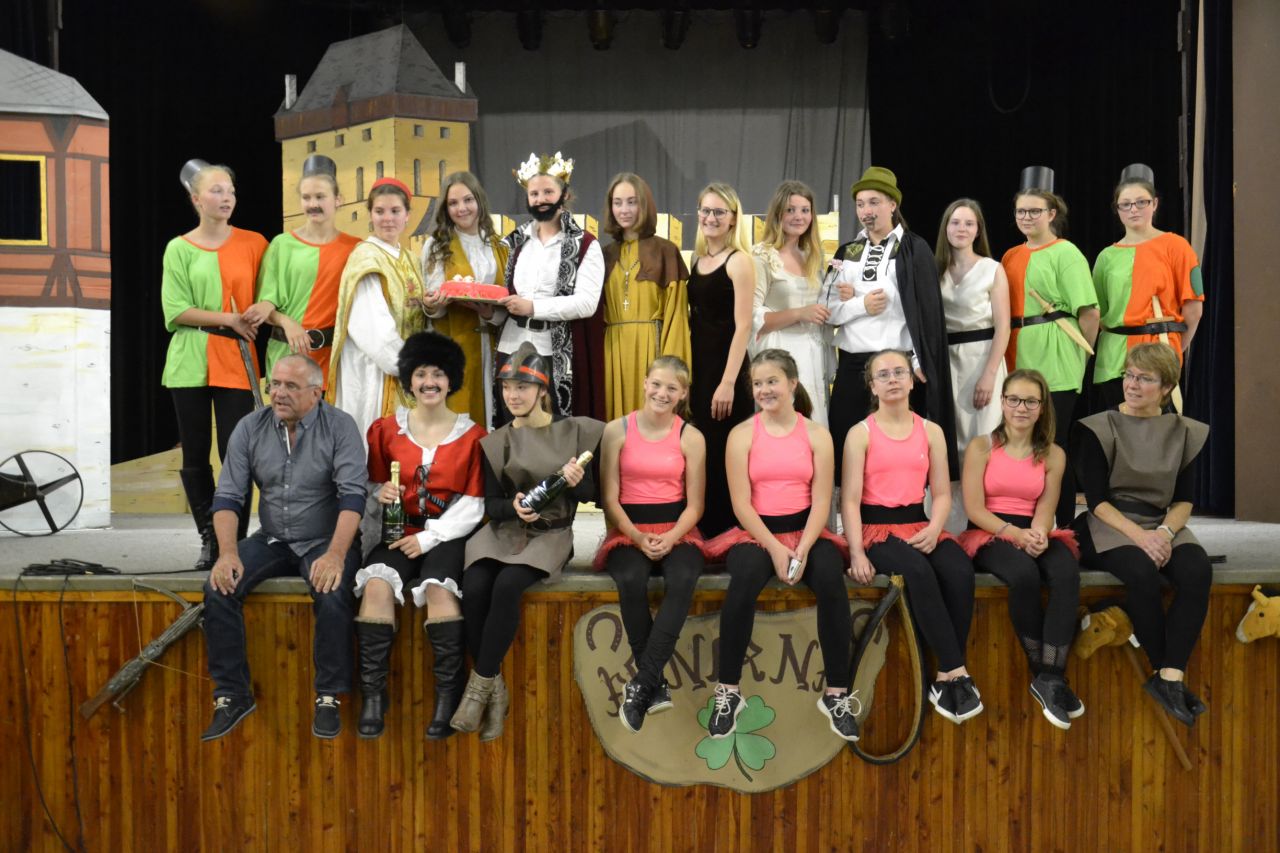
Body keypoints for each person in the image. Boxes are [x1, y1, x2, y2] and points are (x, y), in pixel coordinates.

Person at [200, 355, 366, 741]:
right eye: (274, 384)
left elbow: (353, 498)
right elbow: (227, 497)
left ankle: (329, 696)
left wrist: (336, 555)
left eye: (291, 386)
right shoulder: (250, 427)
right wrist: (227, 553)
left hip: (325, 539)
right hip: (272, 538)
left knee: (332, 589)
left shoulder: (340, 426)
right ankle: (232, 695)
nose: (278, 393)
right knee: (218, 586)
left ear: (316, 392)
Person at [450, 343, 605, 740]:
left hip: (550, 534)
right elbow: (492, 504)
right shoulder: (496, 441)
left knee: (507, 585)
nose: (513, 395)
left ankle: (477, 690)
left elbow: (593, 494)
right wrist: (514, 507)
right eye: (507, 387)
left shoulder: (575, 431)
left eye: (522, 387)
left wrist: (577, 483)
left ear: (542, 390)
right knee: (475, 585)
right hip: (504, 531)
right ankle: (493, 687)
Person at [703, 349, 857, 741]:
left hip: (807, 531)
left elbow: (822, 501)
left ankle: (837, 693)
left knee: (830, 579)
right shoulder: (742, 435)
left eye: (772, 381)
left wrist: (803, 548)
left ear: (792, 383)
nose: (764, 390)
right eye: (758, 384)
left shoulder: (817, 435)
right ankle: (729, 690)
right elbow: (741, 504)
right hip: (757, 533)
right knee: (744, 581)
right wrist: (773, 547)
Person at [352, 332, 486, 739]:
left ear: (451, 380)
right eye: (422, 374)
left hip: (449, 536)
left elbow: (474, 503)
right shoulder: (384, 430)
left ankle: (448, 696)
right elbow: (371, 484)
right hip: (398, 530)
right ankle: (373, 694)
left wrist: (429, 539)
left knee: (439, 588)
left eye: (439, 374)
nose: (430, 382)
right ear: (409, 380)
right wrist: (380, 492)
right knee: (376, 583)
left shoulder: (473, 435)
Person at [1072, 342, 1211, 727]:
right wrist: (1143, 538)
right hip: (1111, 523)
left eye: (1144, 379)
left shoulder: (1183, 431)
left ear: (1166, 387)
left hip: (1162, 523)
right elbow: (1097, 502)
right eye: (1129, 376)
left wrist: (1164, 533)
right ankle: (1163, 667)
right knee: (1142, 572)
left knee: (1197, 571)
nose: (1132, 385)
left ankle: (1170, 676)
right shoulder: (1099, 427)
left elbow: (1184, 500)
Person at [841, 349, 981, 724]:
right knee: (918, 572)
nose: (892, 380)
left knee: (959, 570)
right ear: (872, 386)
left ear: (911, 380)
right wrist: (856, 553)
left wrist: (935, 529)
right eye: (883, 375)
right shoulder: (860, 434)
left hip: (920, 523)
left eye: (899, 372)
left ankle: (944, 677)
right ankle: (957, 671)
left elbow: (943, 493)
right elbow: (849, 500)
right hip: (877, 529)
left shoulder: (930, 431)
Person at [161, 159, 269, 572]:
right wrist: (228, 318)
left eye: (231, 191)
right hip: (190, 355)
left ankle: (233, 541)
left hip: (236, 357)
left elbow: (269, 294)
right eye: (217, 191)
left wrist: (261, 311)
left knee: (235, 452)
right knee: (194, 453)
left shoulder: (254, 243)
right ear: (196, 199)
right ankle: (209, 536)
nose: (227, 198)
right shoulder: (178, 248)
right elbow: (176, 310)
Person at [960, 369, 1082, 729]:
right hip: (990, 531)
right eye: (1014, 399)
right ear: (1002, 402)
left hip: (1032, 529)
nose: (1021, 407)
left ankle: (1051, 677)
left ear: (1042, 407)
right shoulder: (981, 447)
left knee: (1066, 572)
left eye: (1030, 401)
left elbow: (1046, 506)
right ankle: (1042, 670)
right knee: (1024, 574)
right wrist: (1015, 534)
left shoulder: (1054, 454)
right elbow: (974, 508)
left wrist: (1040, 533)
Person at [826, 167, 956, 486]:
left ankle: (902, 507)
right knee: (845, 442)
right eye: (860, 204)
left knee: (897, 445)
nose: (866, 211)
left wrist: (919, 359)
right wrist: (861, 304)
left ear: (892, 205)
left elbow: (924, 311)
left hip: (896, 363)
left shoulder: (913, 248)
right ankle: (849, 512)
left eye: (874, 202)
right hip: (853, 363)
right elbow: (827, 310)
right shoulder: (846, 252)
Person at [596, 356, 706, 732]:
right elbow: (610, 498)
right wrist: (637, 536)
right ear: (644, 383)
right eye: (656, 384)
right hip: (629, 528)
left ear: (683, 394)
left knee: (684, 578)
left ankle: (642, 684)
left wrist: (672, 537)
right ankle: (653, 686)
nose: (662, 393)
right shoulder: (616, 430)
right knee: (630, 579)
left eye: (672, 388)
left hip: (678, 527)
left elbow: (696, 505)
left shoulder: (691, 437)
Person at [1001, 166, 1099, 527]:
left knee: (1053, 445)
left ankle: (1063, 526)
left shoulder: (1066, 252)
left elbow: (1089, 313)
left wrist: (1078, 357)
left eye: (1034, 211)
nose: (1027, 217)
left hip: (1056, 355)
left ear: (1052, 213)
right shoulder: (1010, 256)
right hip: (1017, 353)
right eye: (1021, 211)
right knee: (1021, 443)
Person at [493, 152, 605, 423]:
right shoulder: (515, 242)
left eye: (548, 192)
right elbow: (506, 296)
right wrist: (487, 310)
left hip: (554, 351)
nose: (540, 199)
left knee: (553, 425)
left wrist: (533, 307)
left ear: (564, 195)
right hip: (511, 344)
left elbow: (586, 303)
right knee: (512, 425)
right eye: (534, 194)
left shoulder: (584, 244)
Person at [1092, 164, 1204, 411]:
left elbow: (1193, 310)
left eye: (1141, 202)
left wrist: (1171, 353)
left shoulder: (1177, 246)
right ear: (1117, 209)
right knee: (1118, 427)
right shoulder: (1106, 257)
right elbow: (1100, 314)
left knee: (1156, 428)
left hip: (1157, 351)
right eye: (1126, 204)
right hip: (1114, 357)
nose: (1134, 209)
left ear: (1154, 204)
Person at [327, 177, 426, 443]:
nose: (388, 219)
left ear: (407, 215)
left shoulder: (410, 259)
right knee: (374, 443)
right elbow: (372, 329)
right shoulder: (366, 258)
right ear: (370, 214)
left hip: (407, 367)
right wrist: (412, 366)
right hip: (375, 370)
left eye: (395, 211)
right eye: (380, 211)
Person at [935, 198, 1011, 531]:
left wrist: (990, 374)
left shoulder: (992, 269)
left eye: (968, 223)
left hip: (982, 358)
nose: (961, 229)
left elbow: (1003, 327)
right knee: (950, 442)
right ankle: (952, 525)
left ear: (978, 230)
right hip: (945, 361)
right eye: (955, 222)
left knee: (984, 437)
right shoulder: (934, 269)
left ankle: (987, 521)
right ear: (946, 228)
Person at [687, 182, 755, 538]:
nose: (710, 217)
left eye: (719, 212)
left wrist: (728, 382)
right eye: (706, 210)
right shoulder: (696, 260)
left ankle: (730, 530)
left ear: (732, 218)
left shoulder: (739, 261)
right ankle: (706, 529)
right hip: (700, 366)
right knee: (703, 449)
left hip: (727, 369)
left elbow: (743, 326)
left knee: (726, 449)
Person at [257, 155, 361, 389]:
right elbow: (264, 306)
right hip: (288, 355)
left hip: (335, 360)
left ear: (338, 200)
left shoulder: (356, 248)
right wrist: (287, 322)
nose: (313, 204)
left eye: (320, 196)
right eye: (306, 197)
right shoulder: (282, 245)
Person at [419, 171, 511, 427]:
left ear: (479, 200)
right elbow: (433, 306)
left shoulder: (500, 245)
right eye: (453, 203)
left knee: (494, 417)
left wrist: (488, 313)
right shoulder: (436, 245)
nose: (461, 208)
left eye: (468, 200)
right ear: (445, 209)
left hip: (493, 347)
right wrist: (433, 304)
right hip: (454, 345)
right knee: (457, 420)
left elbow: (506, 301)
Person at [599, 173, 692, 421]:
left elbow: (676, 317)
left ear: (645, 205)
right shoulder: (603, 255)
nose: (624, 210)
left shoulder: (666, 251)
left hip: (653, 347)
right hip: (612, 351)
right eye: (617, 203)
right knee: (615, 425)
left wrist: (671, 371)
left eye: (632, 202)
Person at [751, 180, 832, 426]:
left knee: (813, 422)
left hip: (812, 353)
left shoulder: (812, 257)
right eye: (790, 210)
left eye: (805, 210)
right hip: (779, 354)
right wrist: (799, 313)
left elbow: (821, 307)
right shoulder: (761, 256)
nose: (799, 216)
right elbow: (752, 317)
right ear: (778, 214)